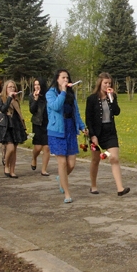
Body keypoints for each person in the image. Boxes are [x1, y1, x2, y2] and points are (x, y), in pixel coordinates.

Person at [46, 69, 87, 204]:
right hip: (57, 130)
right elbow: (56, 107)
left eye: (67, 78)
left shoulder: (71, 94)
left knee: (71, 164)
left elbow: (76, 112)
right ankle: (67, 194)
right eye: (63, 77)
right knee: (62, 163)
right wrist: (63, 91)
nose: (66, 80)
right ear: (57, 79)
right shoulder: (50, 94)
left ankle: (61, 178)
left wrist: (82, 126)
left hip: (70, 128)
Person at [85, 72, 129, 196]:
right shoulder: (92, 99)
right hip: (97, 133)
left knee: (114, 158)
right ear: (100, 83)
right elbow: (89, 119)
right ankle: (93, 185)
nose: (107, 85)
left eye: (109, 83)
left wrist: (112, 98)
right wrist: (92, 135)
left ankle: (120, 188)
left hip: (110, 132)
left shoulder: (112, 97)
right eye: (105, 83)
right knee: (95, 160)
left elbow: (117, 112)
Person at [0, 80, 27, 178]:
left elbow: (19, 113)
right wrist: (9, 97)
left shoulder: (16, 100)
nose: (12, 89)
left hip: (16, 125)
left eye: (13, 87)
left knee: (15, 150)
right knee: (10, 148)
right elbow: (3, 109)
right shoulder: (0, 98)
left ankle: (12, 170)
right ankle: (6, 165)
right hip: (6, 125)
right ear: (6, 88)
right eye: (10, 87)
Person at [28, 77, 51, 176]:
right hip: (37, 123)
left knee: (46, 148)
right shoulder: (31, 96)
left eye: (38, 84)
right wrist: (35, 99)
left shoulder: (49, 96)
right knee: (37, 147)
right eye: (35, 85)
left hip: (48, 124)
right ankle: (34, 158)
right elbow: (32, 111)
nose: (36, 87)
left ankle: (44, 169)